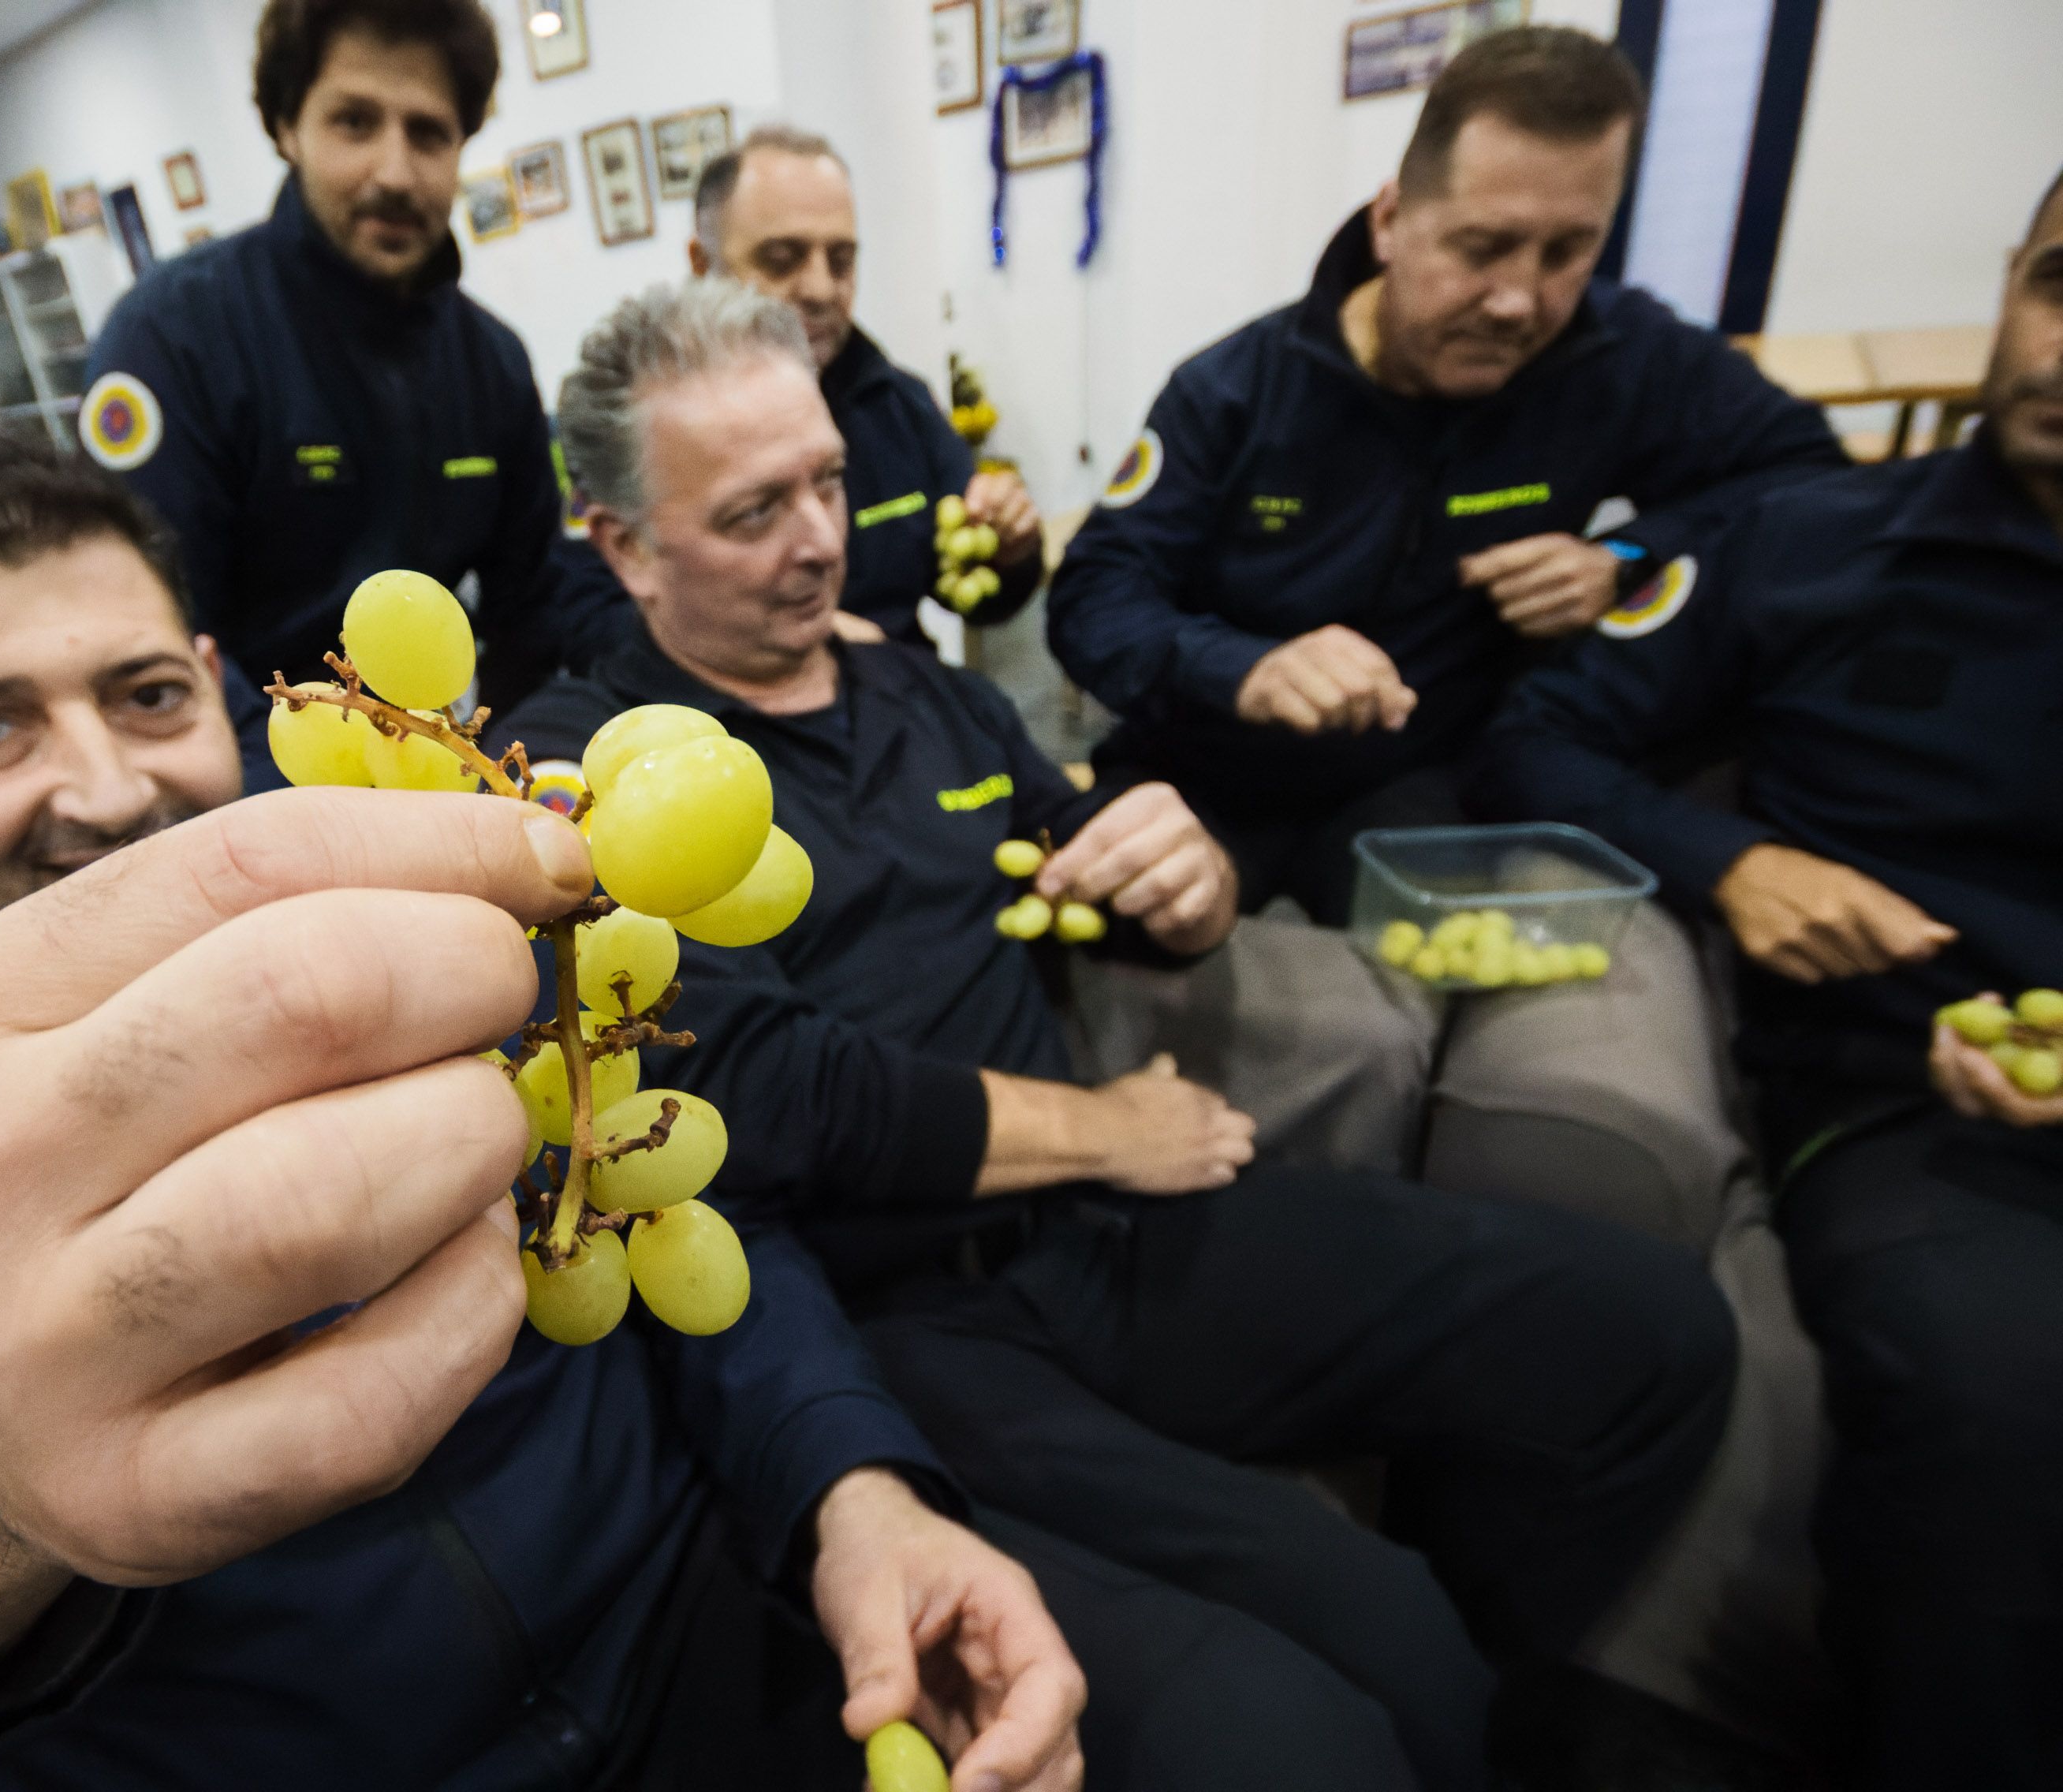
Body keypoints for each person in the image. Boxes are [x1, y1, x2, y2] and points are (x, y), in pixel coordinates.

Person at [0, 434, 1088, 1792]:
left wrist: (854, 1491)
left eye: (142, 693)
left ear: (219, 684)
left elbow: (676, 1203)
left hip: (722, 1638)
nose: (108, 787)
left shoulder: (443, 956)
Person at [505, 278, 1740, 1791]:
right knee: (1355, 1683)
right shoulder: (577, 772)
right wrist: (1095, 1126)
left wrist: (1195, 879)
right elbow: (741, 1084)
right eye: (751, 511)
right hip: (891, 1309)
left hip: (1106, 1237)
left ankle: (1505, 1701)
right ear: (621, 545)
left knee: (1650, 1337)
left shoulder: (927, 692)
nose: (820, 540)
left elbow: (1106, 861)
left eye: (827, 481)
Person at [1474, 166, 2063, 1791]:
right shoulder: (1813, 541)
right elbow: (1538, 733)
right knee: (2005, 1414)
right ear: (2012, 274)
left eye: (1563, 248)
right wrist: (1731, 863)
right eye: (2062, 284)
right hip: (1909, 1125)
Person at [1046, 25, 1844, 927]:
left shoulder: (1622, 358)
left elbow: (1805, 475)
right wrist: (1248, 666)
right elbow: (1092, 602)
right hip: (1202, 771)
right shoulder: (1231, 391)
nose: (1518, 300)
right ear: (1389, 221)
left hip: (1419, 783)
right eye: (1481, 247)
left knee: (1433, 1004)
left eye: (1567, 253)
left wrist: (1629, 553)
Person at [82, 0, 569, 711]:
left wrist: (493, 769)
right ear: (288, 127)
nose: (396, 172)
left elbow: (532, 613)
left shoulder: (494, 361)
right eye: (355, 122)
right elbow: (155, 648)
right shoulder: (172, 337)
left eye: (429, 133)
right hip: (252, 780)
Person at [552, 125, 1043, 655]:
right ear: (701, 265)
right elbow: (580, 617)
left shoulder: (899, 404)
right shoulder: (633, 424)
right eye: (781, 259)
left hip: (900, 703)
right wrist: (815, 647)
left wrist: (1012, 550)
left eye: (842, 260)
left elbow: (977, 593)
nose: (820, 289)